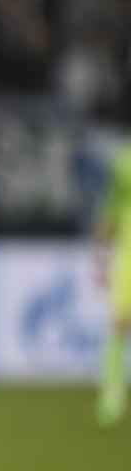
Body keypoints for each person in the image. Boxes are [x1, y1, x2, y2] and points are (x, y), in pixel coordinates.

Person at [95, 142, 131, 427]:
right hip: (127, 253)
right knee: (120, 323)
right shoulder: (124, 161)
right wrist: (102, 259)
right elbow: (110, 210)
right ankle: (113, 395)